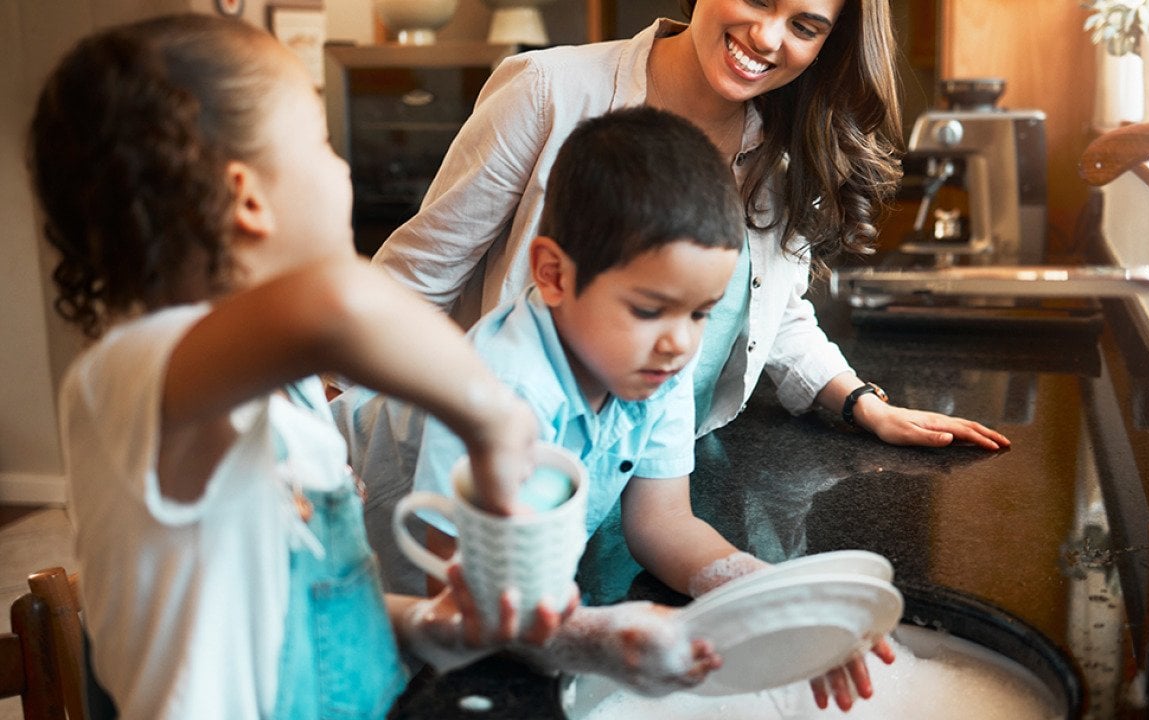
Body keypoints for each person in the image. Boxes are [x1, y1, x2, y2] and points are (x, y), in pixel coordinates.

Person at [28, 14, 564, 719]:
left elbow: (311, 603)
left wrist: (433, 625)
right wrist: (494, 424)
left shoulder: (291, 400)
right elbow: (335, 303)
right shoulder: (130, 374)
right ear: (247, 197)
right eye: (321, 141)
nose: (341, 166)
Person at [335, 106, 891, 710]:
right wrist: (595, 638)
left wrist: (770, 601)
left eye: (699, 312)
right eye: (649, 309)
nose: (679, 341)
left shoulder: (653, 365)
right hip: (375, 603)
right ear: (552, 275)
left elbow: (663, 525)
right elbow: (465, 599)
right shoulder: (502, 390)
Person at [370, 0, 1012, 454]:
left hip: (662, 476)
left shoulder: (789, 149)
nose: (767, 37)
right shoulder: (547, 90)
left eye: (805, 25)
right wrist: (320, 445)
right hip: (501, 468)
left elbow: (772, 312)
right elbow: (412, 283)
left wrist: (860, 402)